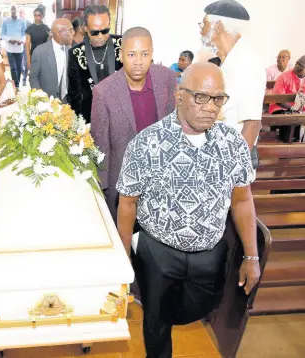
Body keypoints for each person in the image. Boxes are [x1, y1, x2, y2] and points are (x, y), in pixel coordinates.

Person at [117, 62, 260, 358]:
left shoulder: (231, 143)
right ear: (179, 95)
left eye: (218, 99)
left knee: (199, 309)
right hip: (158, 252)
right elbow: (127, 203)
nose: (211, 107)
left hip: (209, 254)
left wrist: (251, 255)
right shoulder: (146, 143)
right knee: (156, 323)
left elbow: (242, 199)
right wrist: (123, 260)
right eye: (201, 97)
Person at [91, 26, 176, 222]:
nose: (138, 62)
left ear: (152, 54)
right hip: (122, 182)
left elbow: (175, 128)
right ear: (121, 55)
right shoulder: (104, 92)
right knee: (125, 243)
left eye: (144, 54)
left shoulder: (167, 79)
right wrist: (101, 191)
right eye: (131, 54)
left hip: (162, 180)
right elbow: (100, 146)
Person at [199, 0, 264, 152]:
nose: (201, 31)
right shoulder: (223, 62)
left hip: (231, 158)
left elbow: (252, 124)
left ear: (219, 27)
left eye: (204, 24)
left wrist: (236, 168)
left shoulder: (247, 62)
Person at [68, 5, 122, 123]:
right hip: (91, 118)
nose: (100, 36)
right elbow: (74, 94)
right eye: (94, 32)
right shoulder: (76, 53)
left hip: (121, 115)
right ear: (85, 28)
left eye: (105, 31)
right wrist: (78, 124)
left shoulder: (123, 45)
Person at [29, 19, 73, 102]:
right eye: (70, 30)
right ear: (60, 34)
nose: (73, 33)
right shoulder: (40, 51)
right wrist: (40, 99)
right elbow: (33, 78)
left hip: (68, 102)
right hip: (47, 103)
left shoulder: (71, 51)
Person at [268, 55, 305, 142]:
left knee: (296, 116)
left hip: (298, 109)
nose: (297, 66)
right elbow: (278, 100)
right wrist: (293, 108)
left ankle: (295, 143)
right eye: (297, 64)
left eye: (301, 65)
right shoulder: (284, 76)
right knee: (291, 117)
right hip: (279, 108)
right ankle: (286, 144)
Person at [1, 4, 27, 89]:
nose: (13, 11)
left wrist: (22, 41)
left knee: (19, 68)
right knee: (13, 68)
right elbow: (2, 35)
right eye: (11, 9)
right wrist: (9, 40)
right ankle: (15, 84)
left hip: (19, 49)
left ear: (17, 10)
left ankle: (17, 82)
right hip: (10, 49)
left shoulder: (22, 21)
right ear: (10, 11)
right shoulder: (5, 21)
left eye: (14, 9)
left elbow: (24, 34)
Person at [19, 7, 32, 86]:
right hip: (17, 46)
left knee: (25, 62)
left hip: (26, 46)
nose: (20, 14)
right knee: (19, 64)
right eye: (19, 12)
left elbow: (31, 34)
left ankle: (24, 79)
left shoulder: (28, 23)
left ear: (24, 14)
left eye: (22, 12)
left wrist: (26, 42)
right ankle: (23, 74)